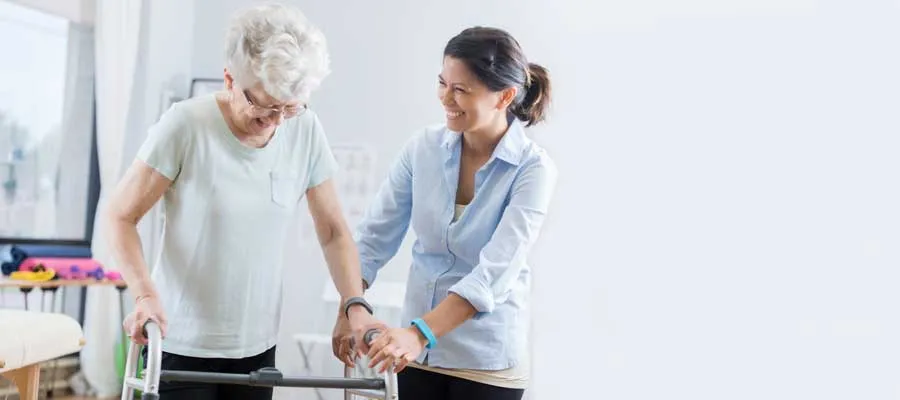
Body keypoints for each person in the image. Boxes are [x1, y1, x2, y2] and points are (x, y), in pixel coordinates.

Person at [106, 3, 383, 400]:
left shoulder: (303, 128)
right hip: (181, 342)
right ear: (230, 78)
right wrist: (144, 295)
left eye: (288, 107)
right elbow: (120, 215)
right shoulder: (185, 125)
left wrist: (352, 304)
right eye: (265, 106)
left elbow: (334, 231)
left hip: (257, 346)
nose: (276, 121)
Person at [332, 26, 557, 400]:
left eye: (461, 90)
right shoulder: (423, 149)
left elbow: (493, 275)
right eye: (442, 83)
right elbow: (373, 239)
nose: (445, 98)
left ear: (505, 96)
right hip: (417, 356)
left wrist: (418, 333)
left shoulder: (532, 170)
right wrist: (351, 305)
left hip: (485, 362)